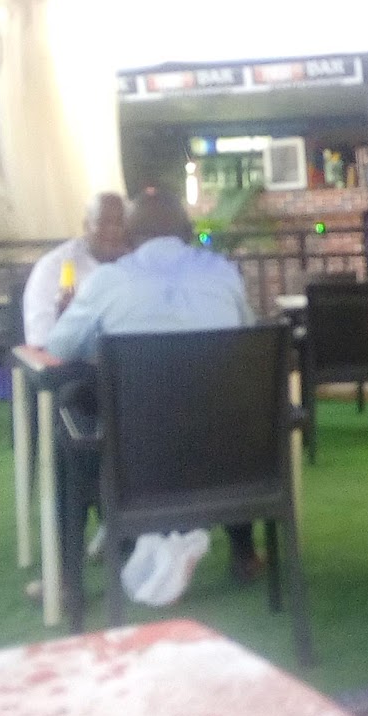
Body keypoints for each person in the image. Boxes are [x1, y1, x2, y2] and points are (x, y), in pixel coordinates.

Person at [46, 188, 262, 584]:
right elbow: (247, 338)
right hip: (222, 460)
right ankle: (244, 553)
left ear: (128, 238)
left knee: (68, 414)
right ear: (189, 234)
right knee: (225, 403)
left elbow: (59, 347)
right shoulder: (224, 275)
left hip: (135, 464)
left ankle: (67, 579)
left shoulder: (107, 281)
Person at [23, 193, 127, 347]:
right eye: (103, 222)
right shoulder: (54, 267)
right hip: (70, 359)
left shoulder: (137, 267)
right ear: (86, 226)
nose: (113, 230)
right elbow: (41, 339)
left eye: (120, 223)